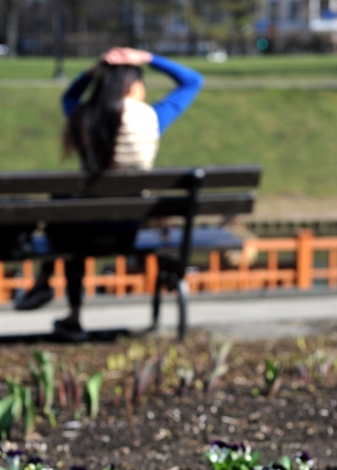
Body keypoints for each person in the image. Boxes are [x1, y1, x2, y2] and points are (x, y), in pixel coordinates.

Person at [16, 47, 203, 342]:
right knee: (68, 214)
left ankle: (65, 307)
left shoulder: (83, 118)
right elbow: (192, 81)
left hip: (82, 231)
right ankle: (46, 287)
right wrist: (148, 58)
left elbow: (68, 97)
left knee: (65, 212)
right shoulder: (152, 118)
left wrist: (94, 70)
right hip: (126, 230)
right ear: (132, 85)